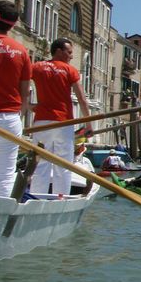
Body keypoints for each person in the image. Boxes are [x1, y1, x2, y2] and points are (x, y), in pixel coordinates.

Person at [0, 1, 32, 197]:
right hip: (9, 121)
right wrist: (18, 120)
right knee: (5, 178)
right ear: (12, 25)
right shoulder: (21, 51)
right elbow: (25, 93)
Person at [30, 38, 92, 195]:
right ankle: (60, 198)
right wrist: (89, 125)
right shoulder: (70, 70)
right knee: (63, 164)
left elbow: (19, 84)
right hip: (63, 122)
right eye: (69, 52)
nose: (71, 56)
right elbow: (82, 100)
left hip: (42, 122)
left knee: (40, 163)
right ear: (58, 51)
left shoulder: (36, 67)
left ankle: (37, 197)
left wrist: (29, 106)